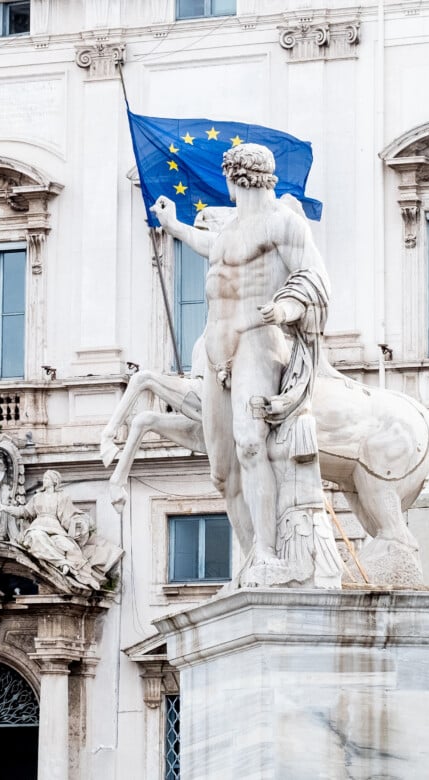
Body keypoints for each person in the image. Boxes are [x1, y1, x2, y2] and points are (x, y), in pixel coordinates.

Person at [151, 143, 340, 587]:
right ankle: (252, 554)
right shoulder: (228, 231)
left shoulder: (283, 223)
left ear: (235, 179)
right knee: (223, 466)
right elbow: (205, 244)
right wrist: (171, 223)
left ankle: (271, 555)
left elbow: (315, 277)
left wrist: (290, 306)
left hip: (258, 340)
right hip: (217, 348)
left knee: (252, 444)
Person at [0, 470, 119, 591]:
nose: (44, 481)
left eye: (46, 478)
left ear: (54, 481)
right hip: (38, 526)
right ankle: (63, 563)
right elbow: (24, 512)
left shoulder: (62, 498)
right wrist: (5, 508)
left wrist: (80, 524)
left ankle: (86, 577)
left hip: (56, 529)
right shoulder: (37, 497)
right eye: (44, 478)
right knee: (37, 538)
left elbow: (69, 517)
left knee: (70, 547)